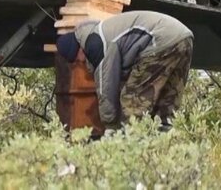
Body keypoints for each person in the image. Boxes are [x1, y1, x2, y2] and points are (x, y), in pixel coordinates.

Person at [57, 10, 193, 128]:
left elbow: (106, 87)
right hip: (184, 38)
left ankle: (130, 153)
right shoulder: (106, 31)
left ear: (79, 48)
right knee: (166, 109)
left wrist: (109, 124)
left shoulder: (96, 43)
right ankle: (168, 153)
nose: (80, 61)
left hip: (159, 40)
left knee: (131, 104)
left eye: (77, 58)